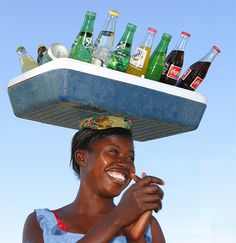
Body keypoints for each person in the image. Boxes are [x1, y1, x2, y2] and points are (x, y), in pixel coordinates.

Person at [23, 116, 165, 243]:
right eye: (113, 152)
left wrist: (136, 240)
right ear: (81, 157)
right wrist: (118, 218)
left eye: (130, 158)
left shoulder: (148, 226)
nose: (124, 163)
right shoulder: (40, 223)